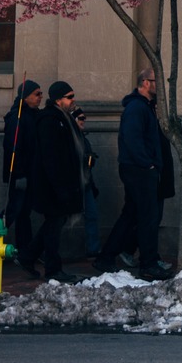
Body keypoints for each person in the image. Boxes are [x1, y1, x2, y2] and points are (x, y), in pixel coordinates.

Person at [96, 69, 171, 280]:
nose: (160, 86)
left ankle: (106, 257)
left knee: (131, 215)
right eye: (156, 82)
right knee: (147, 216)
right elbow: (132, 138)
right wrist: (147, 164)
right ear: (146, 83)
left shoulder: (145, 107)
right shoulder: (137, 107)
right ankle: (148, 263)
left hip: (138, 169)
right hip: (138, 170)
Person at [29, 80, 85, 282]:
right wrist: (60, 187)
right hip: (52, 186)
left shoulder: (63, 118)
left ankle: (28, 256)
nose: (73, 100)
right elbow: (51, 158)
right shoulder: (50, 120)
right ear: (58, 99)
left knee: (53, 224)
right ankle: (53, 268)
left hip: (61, 184)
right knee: (53, 227)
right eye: (69, 97)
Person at [2, 80, 43, 259]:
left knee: (23, 213)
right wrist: (18, 174)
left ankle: (24, 249)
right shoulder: (17, 118)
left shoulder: (34, 115)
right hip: (20, 174)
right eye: (37, 94)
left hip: (31, 173)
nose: (40, 97)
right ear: (25, 97)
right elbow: (13, 147)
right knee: (13, 210)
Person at [74, 106, 102, 258]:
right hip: (75, 184)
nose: (84, 121)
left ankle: (93, 248)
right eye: (81, 118)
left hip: (86, 183)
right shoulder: (72, 137)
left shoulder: (83, 138)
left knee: (92, 215)